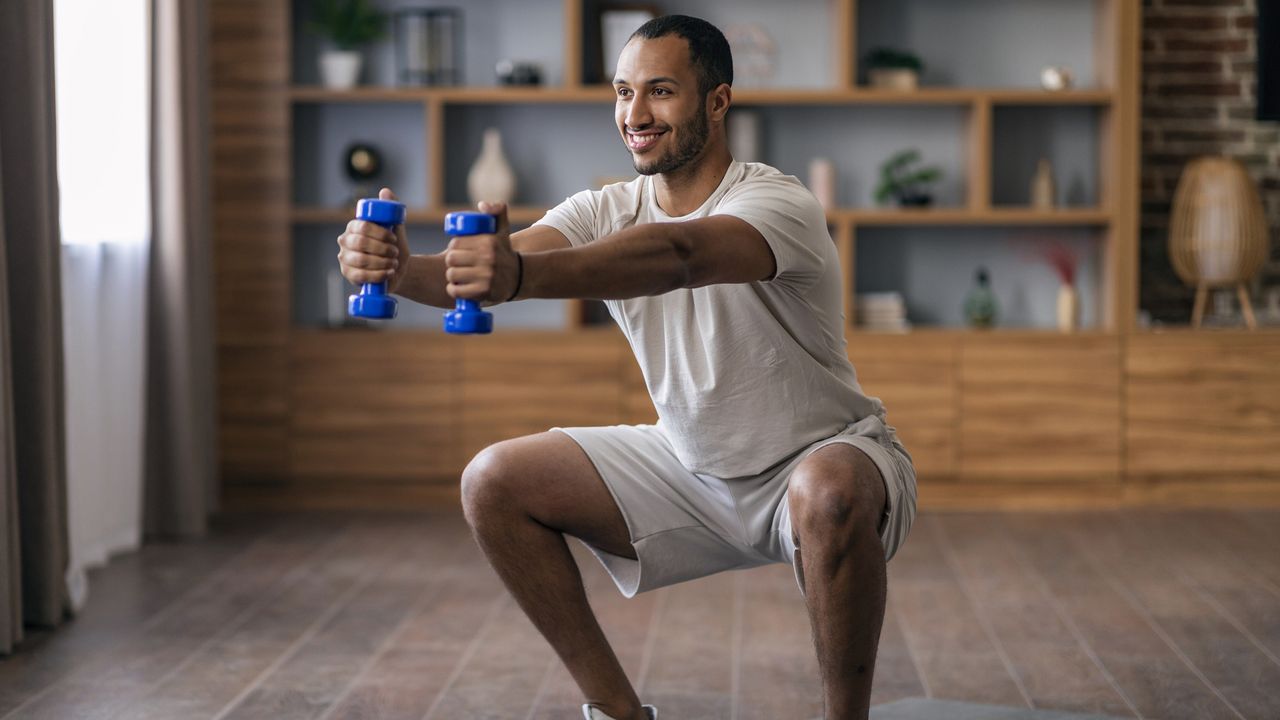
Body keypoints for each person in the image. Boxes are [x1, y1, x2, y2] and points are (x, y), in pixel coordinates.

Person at [336, 15, 916, 720]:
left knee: (828, 490)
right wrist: (398, 269)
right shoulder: (602, 208)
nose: (634, 115)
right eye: (622, 92)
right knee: (493, 481)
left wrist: (516, 276)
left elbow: (679, 258)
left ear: (717, 101)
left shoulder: (776, 201)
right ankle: (616, 712)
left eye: (660, 92)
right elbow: (487, 271)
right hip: (689, 468)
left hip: (821, 459)